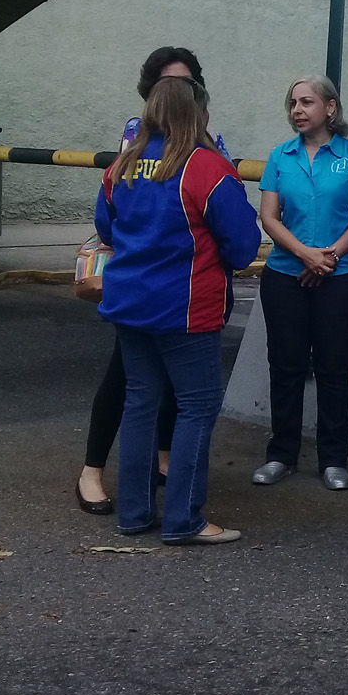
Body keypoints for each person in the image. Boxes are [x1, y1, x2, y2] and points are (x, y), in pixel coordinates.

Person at [95, 76, 261, 544]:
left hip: (128, 302)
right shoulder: (207, 168)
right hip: (186, 307)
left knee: (140, 403)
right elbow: (243, 245)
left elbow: (105, 226)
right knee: (196, 406)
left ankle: (134, 512)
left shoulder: (121, 166)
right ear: (198, 114)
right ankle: (184, 518)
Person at [77, 47, 222, 514]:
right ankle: (97, 473)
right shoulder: (137, 147)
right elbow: (237, 239)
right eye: (167, 85)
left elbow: (110, 219)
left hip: (143, 294)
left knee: (154, 395)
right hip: (168, 296)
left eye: (185, 84)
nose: (177, 93)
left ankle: (142, 501)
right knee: (137, 388)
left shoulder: (206, 148)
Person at [251, 75, 348, 491]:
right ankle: (281, 454)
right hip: (286, 275)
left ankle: (333, 459)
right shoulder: (280, 156)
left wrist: (330, 256)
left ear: (331, 108)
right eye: (293, 103)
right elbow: (269, 217)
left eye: (307, 102)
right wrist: (306, 254)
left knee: (334, 369)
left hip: (339, 278)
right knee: (285, 366)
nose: (297, 110)